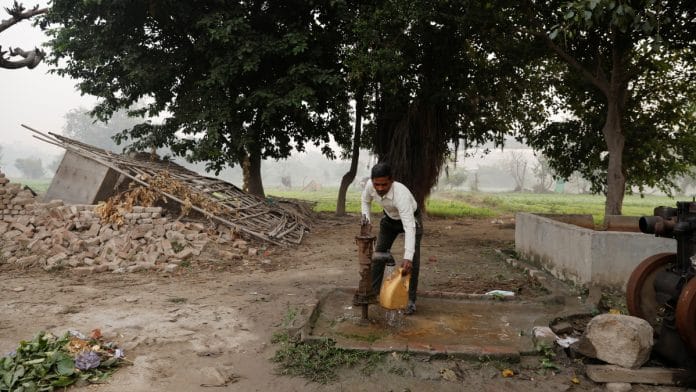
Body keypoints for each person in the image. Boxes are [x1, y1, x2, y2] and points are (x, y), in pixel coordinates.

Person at [361, 162, 423, 315]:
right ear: (372, 181)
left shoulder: (401, 195)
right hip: (389, 221)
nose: (380, 188)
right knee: (378, 254)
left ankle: (410, 300)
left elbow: (409, 227)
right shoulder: (370, 186)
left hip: (411, 220)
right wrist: (366, 222)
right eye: (377, 185)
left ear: (391, 181)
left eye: (384, 185)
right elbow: (365, 201)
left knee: (412, 261)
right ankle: (373, 293)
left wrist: (407, 257)